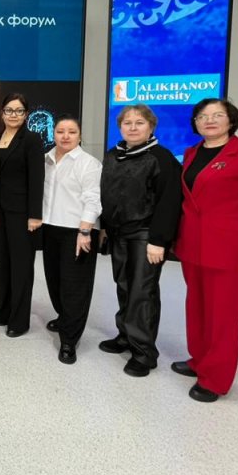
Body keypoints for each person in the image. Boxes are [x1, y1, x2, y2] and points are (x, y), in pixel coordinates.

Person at [172, 99, 238, 402]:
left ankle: (215, 379)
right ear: (195, 123)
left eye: (218, 115)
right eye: (203, 116)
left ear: (231, 121)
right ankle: (199, 360)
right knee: (197, 308)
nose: (210, 120)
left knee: (223, 317)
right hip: (193, 248)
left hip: (230, 251)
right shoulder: (192, 153)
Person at [98, 104, 182, 377]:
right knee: (124, 286)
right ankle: (125, 336)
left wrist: (159, 240)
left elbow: (169, 202)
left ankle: (144, 353)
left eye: (139, 123)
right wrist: (105, 227)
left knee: (142, 292)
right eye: (127, 123)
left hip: (145, 235)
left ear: (151, 126)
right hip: (118, 232)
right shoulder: (114, 155)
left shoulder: (161, 158)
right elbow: (107, 193)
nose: (133, 128)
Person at [40, 116, 102, 364]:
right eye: (60, 131)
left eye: (71, 131)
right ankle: (64, 317)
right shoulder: (46, 160)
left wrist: (85, 230)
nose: (65, 136)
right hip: (50, 227)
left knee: (74, 286)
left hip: (78, 231)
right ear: (53, 134)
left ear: (80, 135)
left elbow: (93, 198)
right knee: (54, 280)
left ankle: (69, 340)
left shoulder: (89, 164)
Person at [0, 93, 45, 337]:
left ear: (26, 114)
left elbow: (37, 178)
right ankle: (2, 310)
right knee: (1, 263)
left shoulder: (31, 140)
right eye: (9, 110)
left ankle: (19, 320)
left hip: (22, 213)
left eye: (19, 111)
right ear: (2, 113)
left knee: (21, 266)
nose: (13, 115)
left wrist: (35, 215)